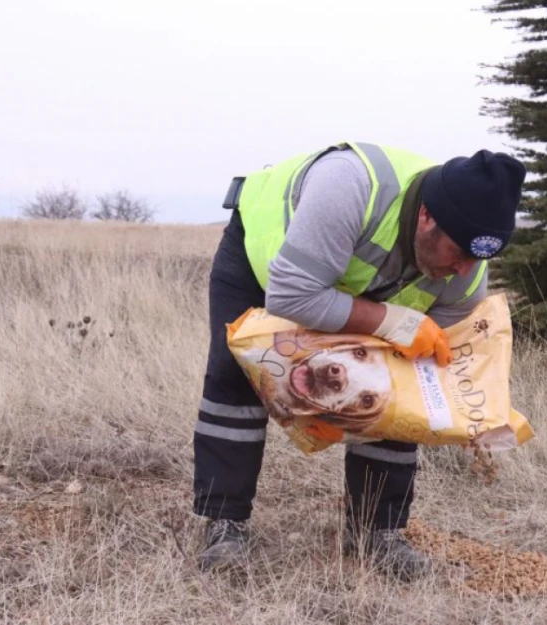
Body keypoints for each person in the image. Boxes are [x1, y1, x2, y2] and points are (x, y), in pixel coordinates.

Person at [193, 140, 526, 581]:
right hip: (266, 264)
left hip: (346, 291)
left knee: (396, 389)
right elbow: (292, 294)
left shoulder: (464, 277)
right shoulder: (349, 186)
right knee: (234, 379)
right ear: (427, 217)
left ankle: (377, 533)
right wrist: (397, 324)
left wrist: (465, 412)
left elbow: (415, 383)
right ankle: (224, 523)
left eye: (479, 259)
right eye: (460, 253)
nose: (466, 270)